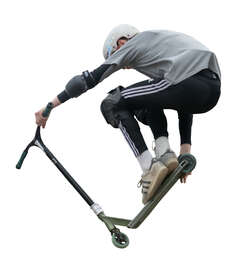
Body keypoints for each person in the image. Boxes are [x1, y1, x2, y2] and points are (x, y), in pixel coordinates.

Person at [35, 24, 221, 204]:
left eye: (114, 55)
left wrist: (50, 106)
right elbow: (185, 102)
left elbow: (88, 80)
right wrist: (185, 152)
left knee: (112, 104)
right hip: (210, 91)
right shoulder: (163, 45)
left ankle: (149, 167)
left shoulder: (133, 43)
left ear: (121, 43)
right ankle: (166, 155)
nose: (124, 67)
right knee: (149, 97)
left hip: (187, 83)